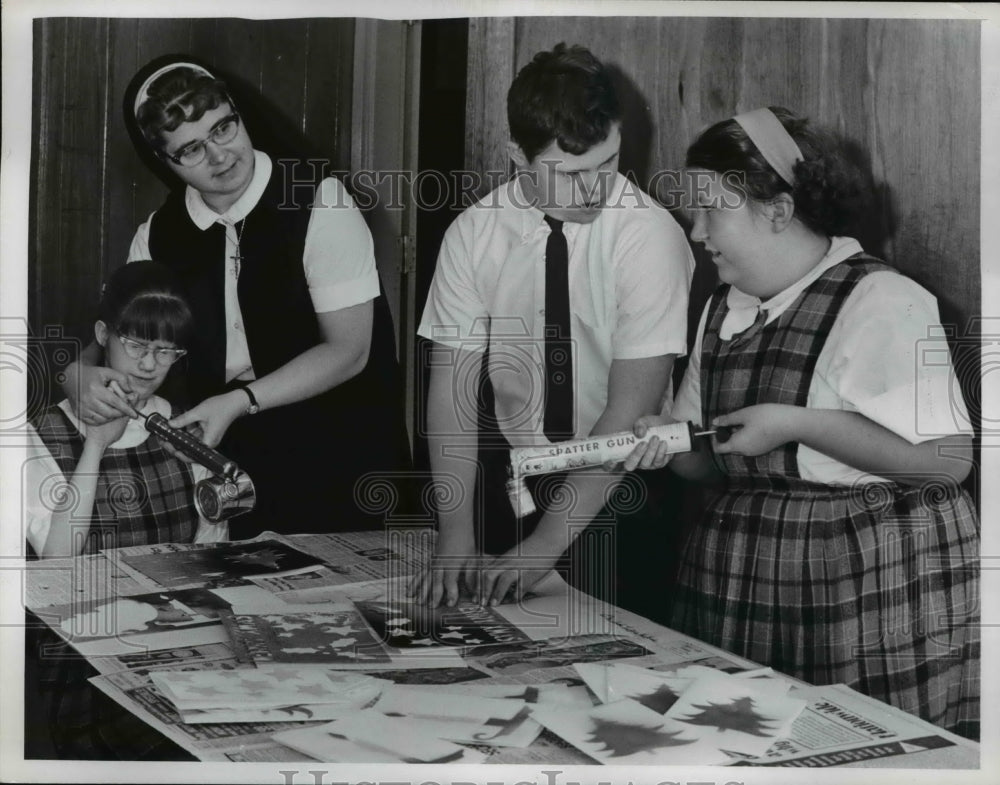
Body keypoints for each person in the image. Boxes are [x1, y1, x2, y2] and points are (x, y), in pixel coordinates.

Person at [623, 107, 979, 738]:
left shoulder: (881, 299)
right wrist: (671, 444)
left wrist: (799, 424)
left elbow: (949, 463)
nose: (697, 230)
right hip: (746, 574)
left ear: (778, 210)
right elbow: (709, 464)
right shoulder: (723, 308)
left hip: (861, 577)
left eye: (713, 211)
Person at [61, 59, 412, 538]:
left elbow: (349, 351)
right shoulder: (157, 236)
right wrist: (77, 374)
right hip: (227, 453)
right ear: (164, 162)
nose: (220, 155)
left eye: (224, 127)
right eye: (191, 149)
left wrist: (239, 400)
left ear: (239, 114)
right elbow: (123, 336)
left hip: (342, 443)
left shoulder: (319, 200)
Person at [408, 44, 694, 607]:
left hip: (620, 483)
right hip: (513, 479)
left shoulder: (649, 235)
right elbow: (454, 396)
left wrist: (543, 548)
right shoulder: (473, 233)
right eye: (572, 172)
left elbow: (627, 417)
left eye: (608, 162)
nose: (595, 189)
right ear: (518, 154)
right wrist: (456, 533)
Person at [26, 261, 225, 559]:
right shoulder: (43, 432)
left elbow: (214, 551)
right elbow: (56, 560)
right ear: (103, 334)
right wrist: (95, 445)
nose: (149, 364)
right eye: (136, 345)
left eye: (166, 350)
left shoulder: (185, 426)